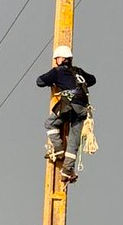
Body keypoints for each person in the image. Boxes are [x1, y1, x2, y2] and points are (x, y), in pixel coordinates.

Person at [35, 44, 96, 183]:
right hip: (82, 108)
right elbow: (92, 80)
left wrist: (55, 81)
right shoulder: (78, 71)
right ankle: (67, 169)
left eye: (57, 58)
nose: (56, 60)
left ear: (61, 59)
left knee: (50, 124)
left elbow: (39, 81)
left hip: (69, 105)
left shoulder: (58, 71)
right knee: (74, 139)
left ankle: (58, 149)